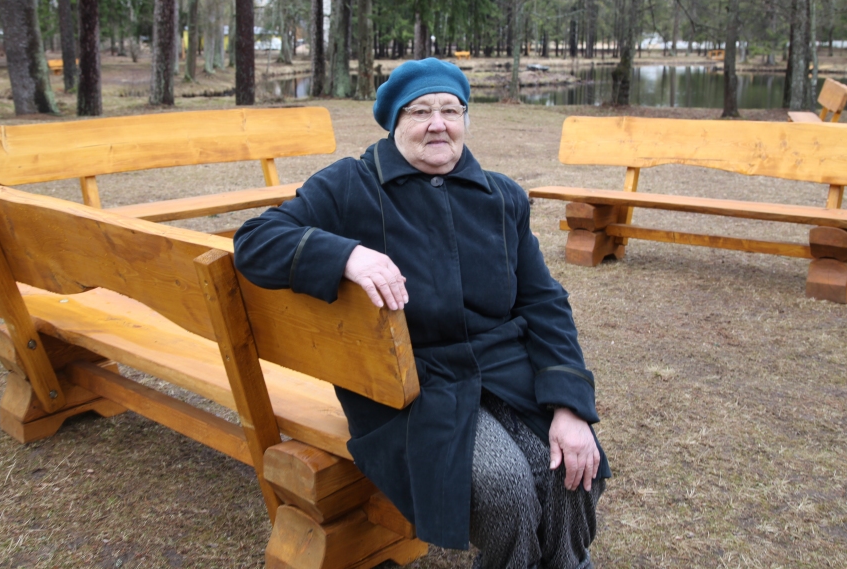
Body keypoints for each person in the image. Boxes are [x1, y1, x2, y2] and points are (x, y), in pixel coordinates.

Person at [234, 58, 610, 569]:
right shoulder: (351, 185)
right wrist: (346, 254)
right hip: (411, 386)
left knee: (570, 469)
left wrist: (569, 407)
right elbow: (255, 241)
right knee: (504, 486)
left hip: (504, 371)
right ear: (395, 122)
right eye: (420, 111)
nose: (438, 124)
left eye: (451, 110)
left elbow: (543, 302)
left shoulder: (502, 197)